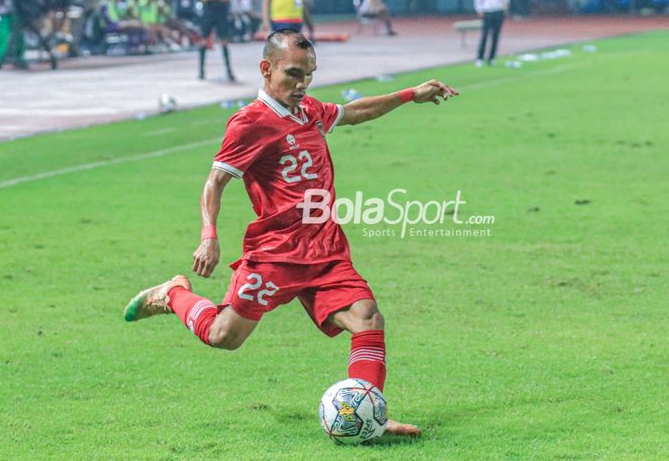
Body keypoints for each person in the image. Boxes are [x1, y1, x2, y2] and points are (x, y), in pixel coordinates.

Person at [124, 29, 458, 436]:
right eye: (294, 75)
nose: (303, 85)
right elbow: (215, 182)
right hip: (276, 254)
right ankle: (173, 293)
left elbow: (355, 112)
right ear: (267, 68)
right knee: (223, 336)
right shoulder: (249, 123)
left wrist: (409, 95)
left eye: (310, 75)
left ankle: (369, 416)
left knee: (368, 319)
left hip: (325, 249)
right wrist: (209, 235)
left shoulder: (309, 111)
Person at [198, 0, 235, 81]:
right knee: (204, 40)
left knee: (224, 41)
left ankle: (229, 71)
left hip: (221, 12)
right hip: (209, 12)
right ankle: (201, 72)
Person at [474, 0, 508, 67]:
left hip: (498, 10)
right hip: (487, 10)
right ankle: (480, 58)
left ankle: (492, 58)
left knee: (495, 36)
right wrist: (479, 9)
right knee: (484, 35)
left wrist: (505, 7)